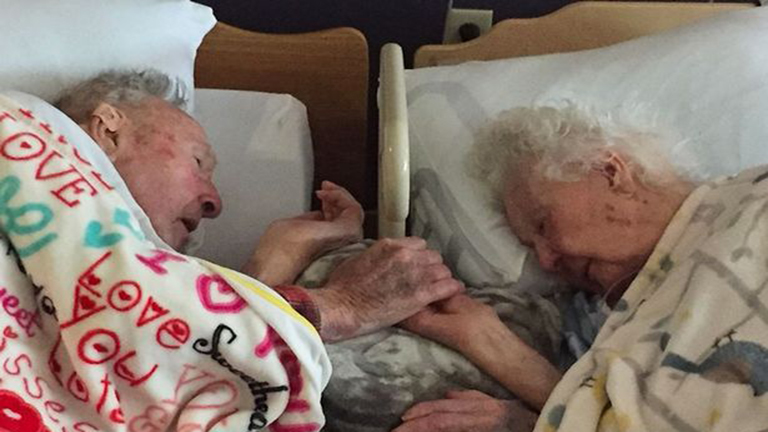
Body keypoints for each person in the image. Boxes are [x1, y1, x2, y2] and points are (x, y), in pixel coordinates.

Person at [395, 102, 768, 432]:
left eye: (543, 224)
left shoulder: (753, 201)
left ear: (610, 171)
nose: (546, 261)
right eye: (531, 248)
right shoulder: (592, 325)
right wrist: (491, 343)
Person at [54, 70, 463, 343]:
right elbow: (166, 355)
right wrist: (345, 305)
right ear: (108, 129)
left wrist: (279, 255)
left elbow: (186, 345)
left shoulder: (112, 272)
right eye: (198, 162)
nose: (215, 203)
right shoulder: (29, 150)